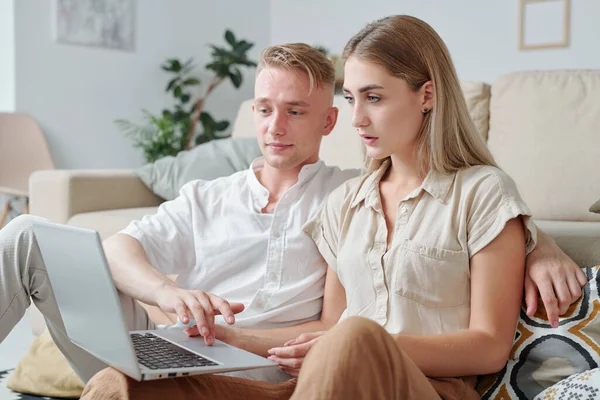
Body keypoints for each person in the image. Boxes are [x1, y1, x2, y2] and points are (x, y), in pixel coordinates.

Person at [0, 39, 584, 399]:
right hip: (222, 352)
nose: (275, 126)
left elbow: (477, 210)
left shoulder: (356, 191)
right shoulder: (263, 198)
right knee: (38, 251)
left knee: (351, 337)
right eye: (264, 109)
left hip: (325, 373)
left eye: (297, 111)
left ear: (324, 122)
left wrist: (537, 240)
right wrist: (178, 302)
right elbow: (119, 248)